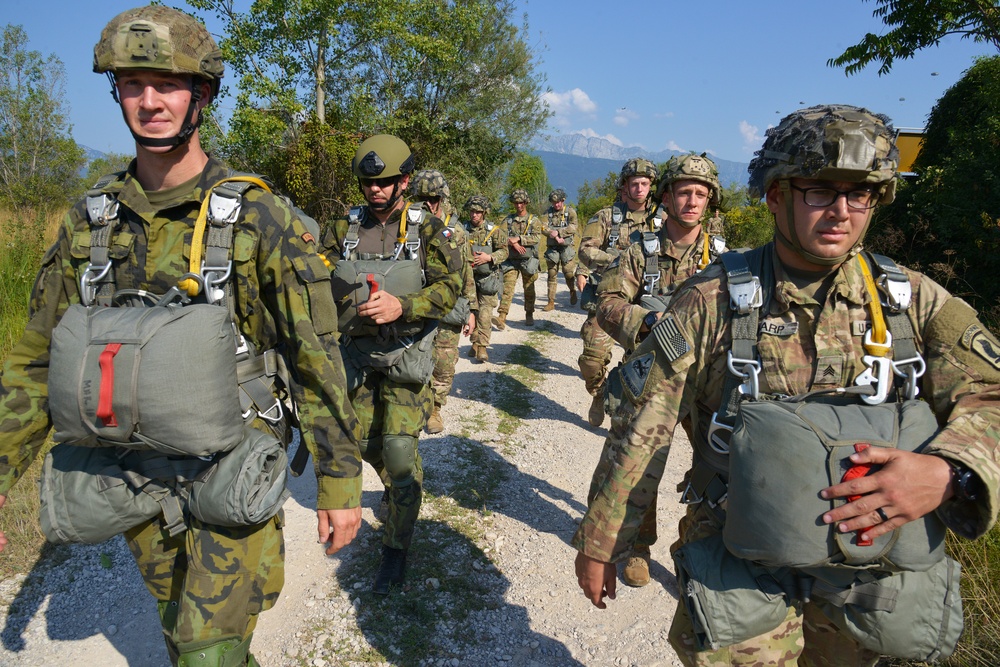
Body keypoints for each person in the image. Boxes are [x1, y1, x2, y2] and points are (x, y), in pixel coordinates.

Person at [0, 7, 364, 665]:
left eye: (166, 84)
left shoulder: (255, 214)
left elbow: (317, 353)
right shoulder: (92, 224)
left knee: (207, 651)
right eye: (132, 84)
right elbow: (34, 357)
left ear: (201, 93)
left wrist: (339, 481)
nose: (148, 101)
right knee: (179, 633)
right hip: (132, 468)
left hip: (233, 462)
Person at [574, 104, 998, 666]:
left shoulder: (913, 301)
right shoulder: (713, 300)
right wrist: (605, 542)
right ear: (776, 195)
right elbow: (643, 429)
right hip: (739, 550)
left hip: (866, 560)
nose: (841, 212)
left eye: (860, 193)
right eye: (819, 192)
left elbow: (991, 395)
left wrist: (949, 470)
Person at [321, 135, 463, 594]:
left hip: (406, 355)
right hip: (357, 357)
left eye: (385, 182)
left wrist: (404, 305)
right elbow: (315, 277)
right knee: (365, 442)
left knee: (400, 453)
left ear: (404, 180)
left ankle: (395, 550)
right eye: (368, 183)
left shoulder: (429, 230)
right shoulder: (341, 228)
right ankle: (397, 489)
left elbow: (450, 288)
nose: (376, 190)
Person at [589, 152, 725, 587]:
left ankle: (697, 548)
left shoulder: (726, 259)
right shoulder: (638, 252)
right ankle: (636, 546)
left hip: (707, 383)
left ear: (710, 200)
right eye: (683, 191)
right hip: (653, 376)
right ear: (666, 197)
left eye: (700, 193)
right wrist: (646, 323)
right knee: (640, 463)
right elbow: (607, 304)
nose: (691, 200)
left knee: (720, 467)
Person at [575, 158, 663, 427]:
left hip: (646, 306)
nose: (639, 188)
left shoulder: (664, 219)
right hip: (609, 301)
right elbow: (585, 249)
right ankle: (599, 392)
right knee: (591, 361)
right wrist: (618, 262)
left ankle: (626, 423)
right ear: (625, 185)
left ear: (651, 186)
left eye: (644, 183)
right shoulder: (606, 216)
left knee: (640, 370)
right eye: (634, 183)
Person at [409, 170, 478, 434]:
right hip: (415, 303)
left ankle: (435, 407)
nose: (427, 203)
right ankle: (414, 403)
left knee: (445, 360)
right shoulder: (407, 226)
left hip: (449, 304)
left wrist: (472, 309)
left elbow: (467, 271)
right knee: (413, 357)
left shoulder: (456, 230)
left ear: (442, 198)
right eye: (421, 197)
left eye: (433, 198)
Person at [463, 195, 509, 363]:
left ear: (484, 213)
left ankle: (482, 347)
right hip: (468, 280)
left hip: (488, 278)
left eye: (478, 212)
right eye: (472, 211)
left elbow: (505, 251)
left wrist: (489, 257)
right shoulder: (463, 230)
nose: (474, 215)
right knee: (471, 312)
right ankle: (474, 342)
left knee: (485, 313)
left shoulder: (494, 231)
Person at [495, 188, 542, 328]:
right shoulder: (508, 220)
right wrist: (512, 242)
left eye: (521, 202)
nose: (519, 205)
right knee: (507, 288)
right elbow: (499, 236)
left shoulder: (534, 221)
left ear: (526, 202)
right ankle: (502, 316)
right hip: (511, 260)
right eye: (516, 203)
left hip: (528, 260)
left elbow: (537, 237)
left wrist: (519, 239)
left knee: (529, 288)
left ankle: (529, 313)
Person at [542, 188, 579, 311]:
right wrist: (550, 233)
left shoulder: (570, 212)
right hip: (552, 248)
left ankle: (572, 291)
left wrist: (559, 232)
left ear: (563, 200)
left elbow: (573, 227)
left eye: (558, 202)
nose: (556, 205)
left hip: (566, 246)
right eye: (554, 202)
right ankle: (551, 301)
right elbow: (543, 227)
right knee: (552, 273)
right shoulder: (548, 213)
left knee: (568, 272)